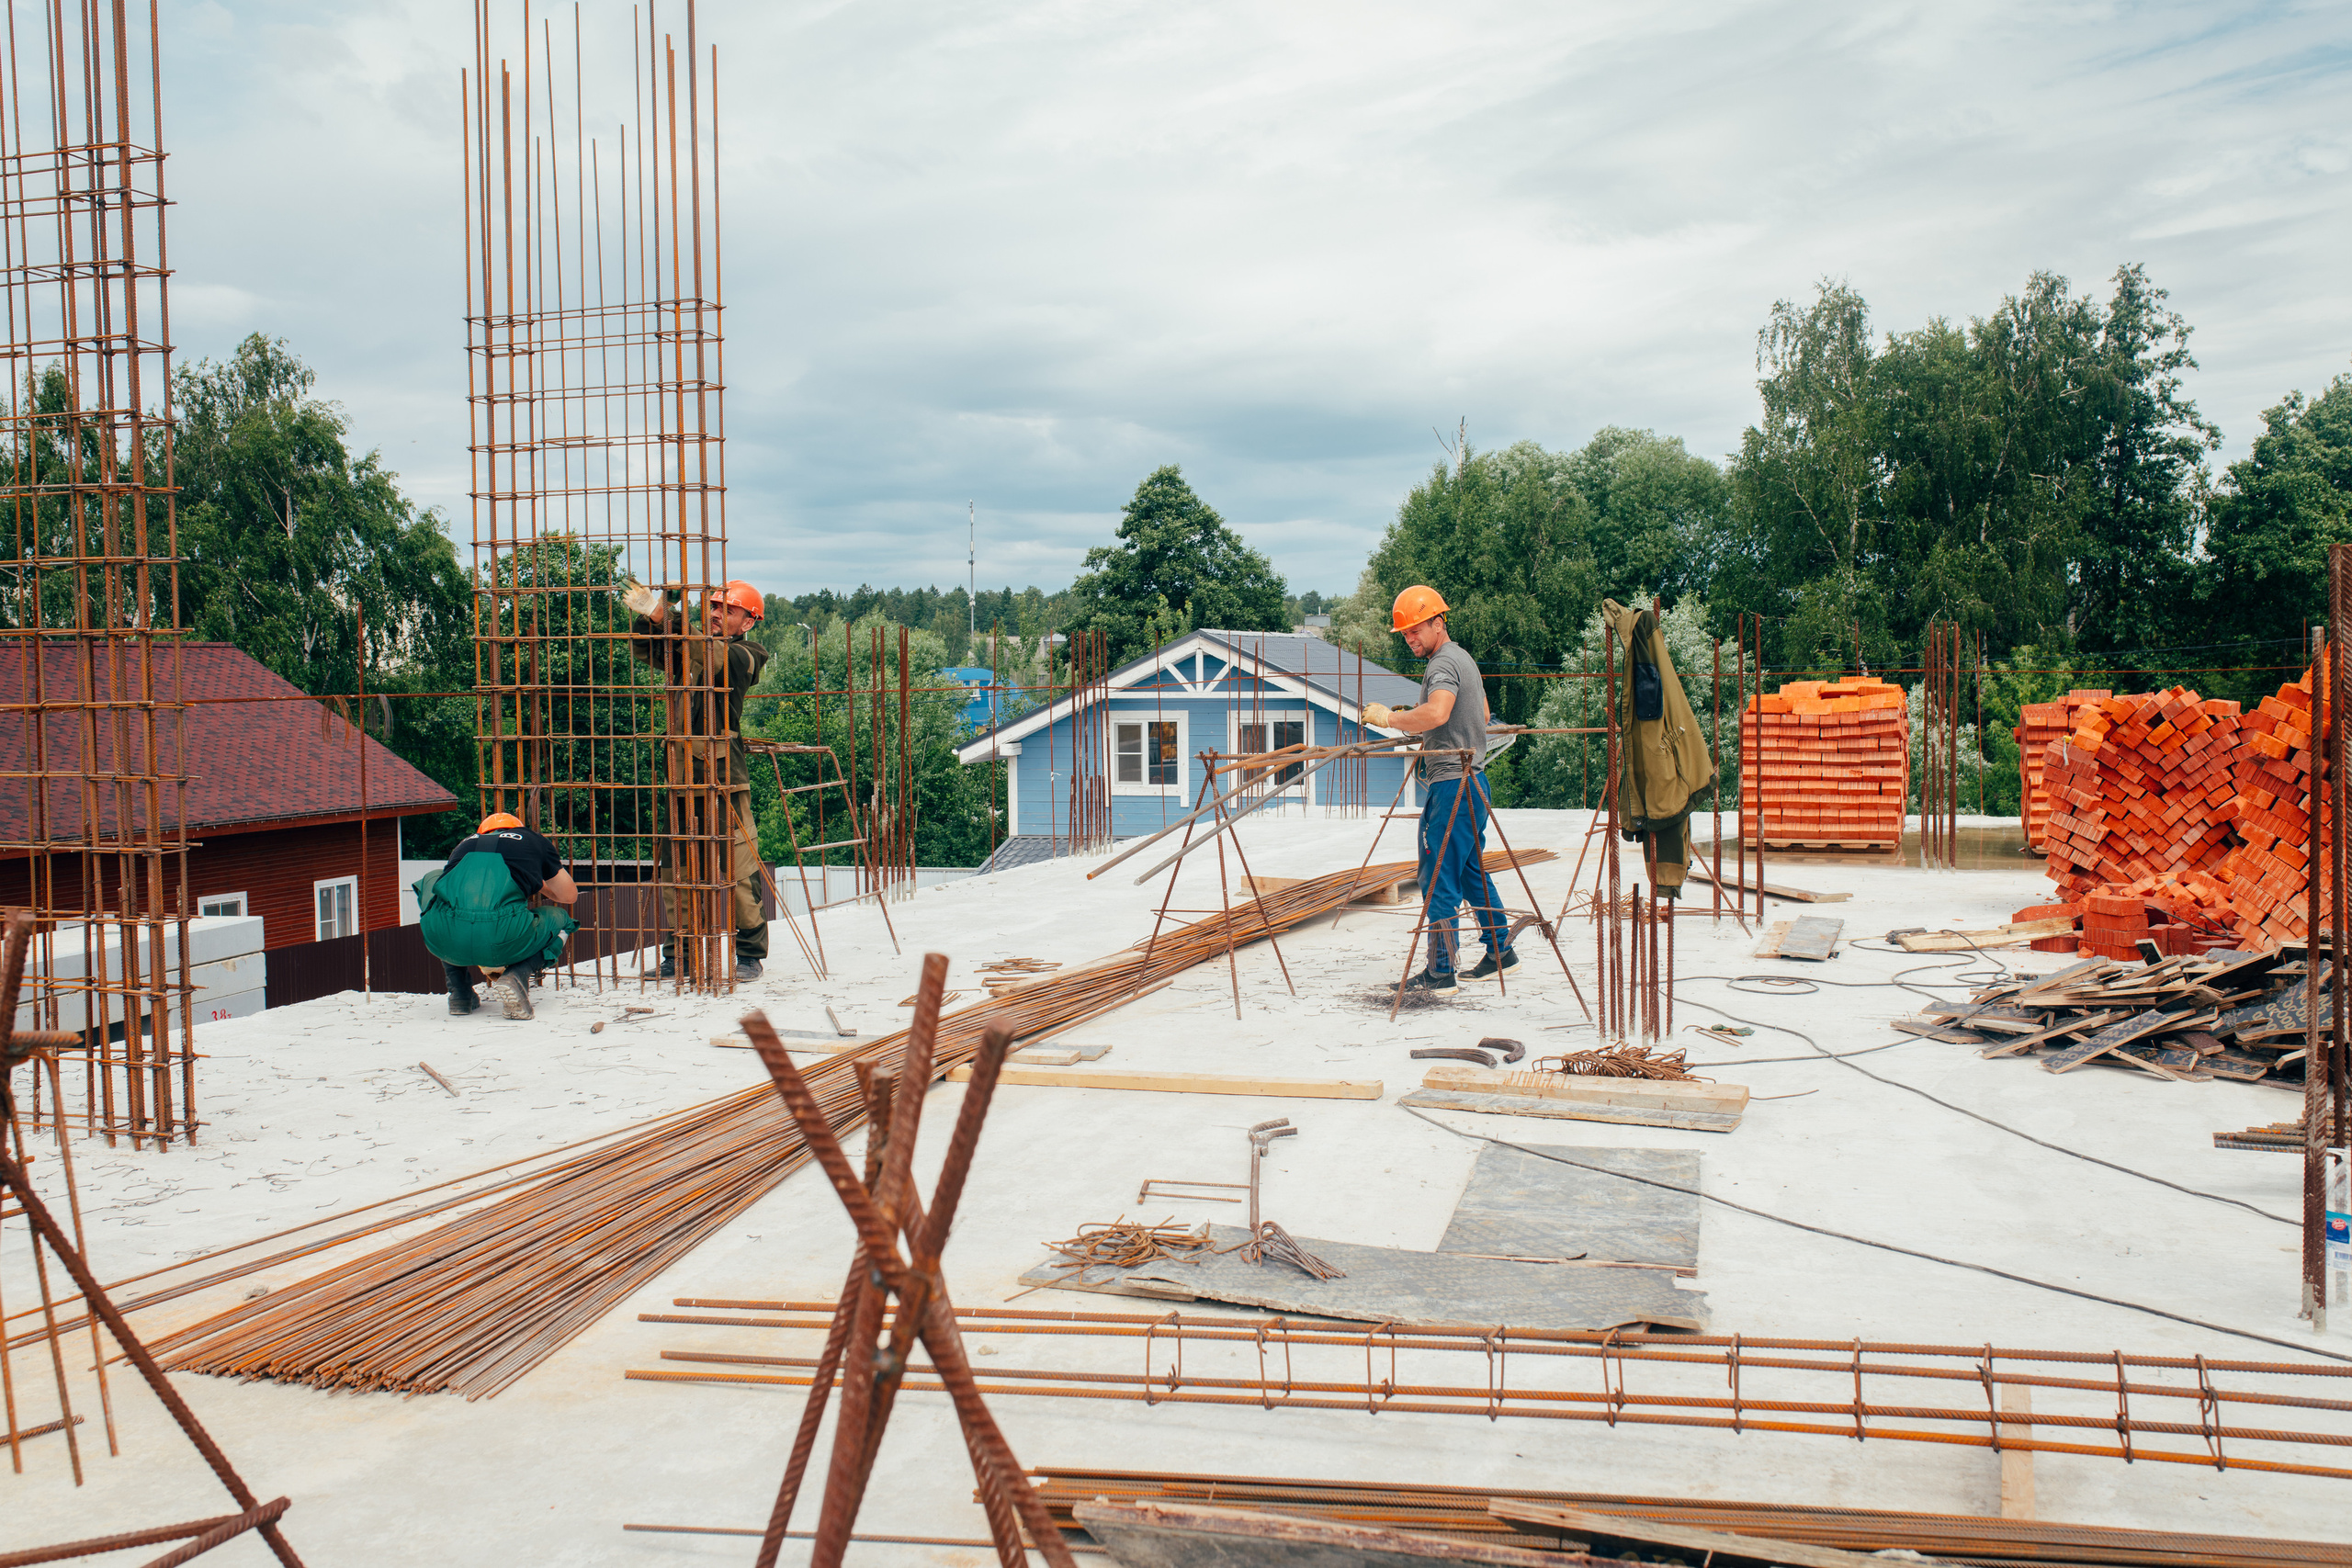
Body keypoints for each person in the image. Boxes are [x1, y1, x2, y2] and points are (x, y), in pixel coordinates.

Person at [619, 576, 772, 982]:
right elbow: (647, 648)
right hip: (681, 777)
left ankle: (749, 954)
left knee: (739, 869)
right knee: (677, 873)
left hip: (724, 779)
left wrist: (663, 614)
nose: (717, 613)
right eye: (714, 606)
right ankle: (681, 955)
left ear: (748, 622)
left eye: (728, 610)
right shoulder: (690, 648)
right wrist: (656, 617)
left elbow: (714, 656)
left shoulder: (749, 655)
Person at [1361, 585, 1510, 998]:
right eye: (1405, 633)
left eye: (1416, 630)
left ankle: (1441, 972)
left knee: (1438, 872)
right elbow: (1480, 713)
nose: (1410, 639)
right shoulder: (1463, 658)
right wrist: (1425, 724)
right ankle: (1501, 950)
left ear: (1438, 623)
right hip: (1473, 782)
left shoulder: (1441, 664)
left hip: (1452, 785)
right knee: (1468, 870)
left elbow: (1440, 711)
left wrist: (1391, 718)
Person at [416, 812, 580, 1020]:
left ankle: (460, 993)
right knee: (564, 921)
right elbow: (569, 895)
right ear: (518, 828)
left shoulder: (463, 845)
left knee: (432, 882)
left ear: (482, 832)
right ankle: (517, 974)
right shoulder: (532, 839)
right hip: (506, 936)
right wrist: (537, 881)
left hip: (443, 940)